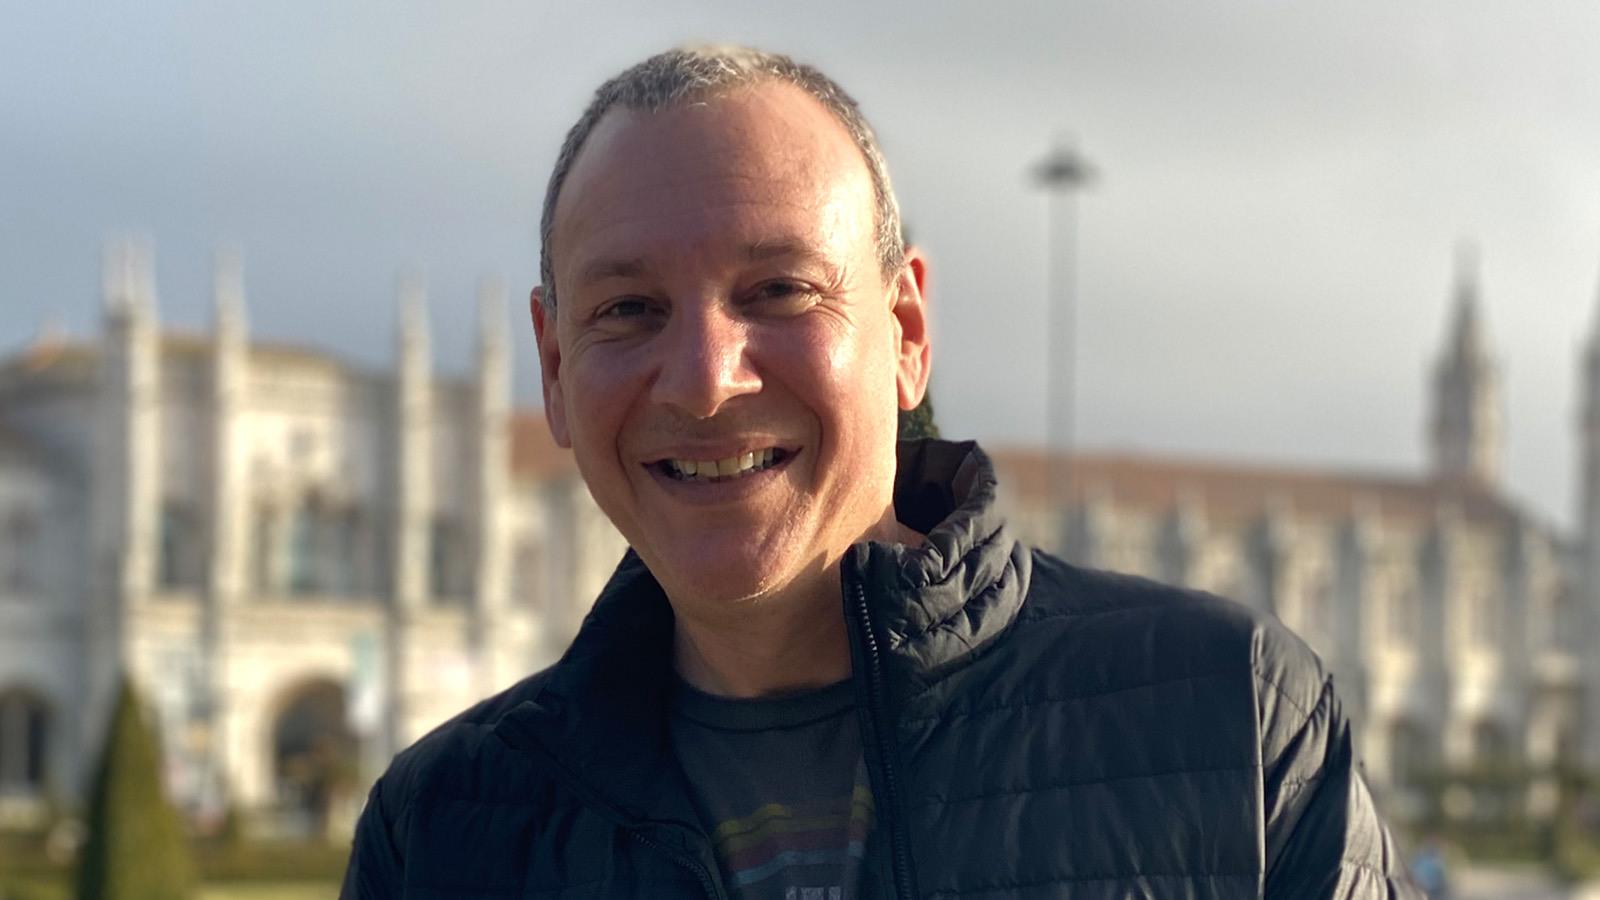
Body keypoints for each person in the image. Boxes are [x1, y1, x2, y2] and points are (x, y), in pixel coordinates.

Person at [341, 45, 1419, 899]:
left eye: (778, 291)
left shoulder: (1233, 720)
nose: (706, 382)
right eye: (628, 309)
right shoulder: (439, 832)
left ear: (905, 330)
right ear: (553, 367)